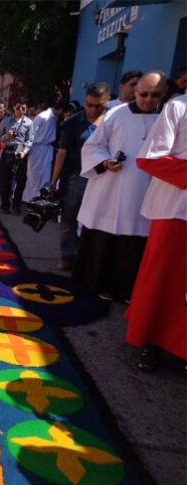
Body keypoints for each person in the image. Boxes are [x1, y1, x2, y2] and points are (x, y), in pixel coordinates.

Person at [73, 71, 167, 302]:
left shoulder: (167, 118)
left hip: (145, 191)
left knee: (135, 243)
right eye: (143, 93)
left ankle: (127, 290)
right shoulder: (116, 115)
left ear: (163, 94)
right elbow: (92, 147)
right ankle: (97, 284)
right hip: (111, 189)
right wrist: (104, 162)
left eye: (155, 95)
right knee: (104, 240)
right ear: (135, 92)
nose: (148, 99)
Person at [125, 93, 186, 371]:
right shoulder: (178, 106)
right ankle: (151, 341)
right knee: (164, 280)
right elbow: (150, 157)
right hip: (175, 208)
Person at [49, 82, 110, 271]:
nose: (93, 110)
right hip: (78, 177)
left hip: (104, 179)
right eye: (89, 105)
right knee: (69, 218)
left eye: (98, 106)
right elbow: (62, 153)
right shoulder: (73, 123)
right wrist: (53, 182)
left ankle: (88, 259)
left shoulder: (114, 121)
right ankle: (67, 256)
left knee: (97, 221)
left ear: (106, 102)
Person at [0, 98, 34, 214]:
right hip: (8, 151)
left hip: (20, 153)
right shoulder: (6, 121)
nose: (21, 111)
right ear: (14, 107)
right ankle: (5, 205)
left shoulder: (29, 122)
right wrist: (6, 137)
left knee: (21, 181)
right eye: (18, 108)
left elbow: (30, 140)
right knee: (5, 181)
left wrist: (25, 151)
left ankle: (16, 205)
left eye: (23, 108)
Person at [22, 100, 65, 203]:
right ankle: (30, 199)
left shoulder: (55, 118)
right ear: (61, 110)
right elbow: (31, 133)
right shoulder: (43, 116)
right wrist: (26, 150)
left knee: (45, 175)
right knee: (34, 176)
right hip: (37, 149)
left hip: (47, 149)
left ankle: (39, 200)